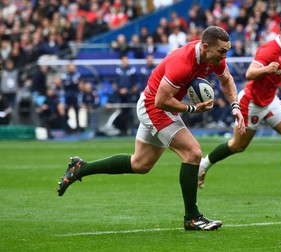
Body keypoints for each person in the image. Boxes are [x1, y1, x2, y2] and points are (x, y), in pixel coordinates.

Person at [56, 26, 245, 231]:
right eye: (222, 51)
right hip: (153, 107)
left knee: (140, 164)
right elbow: (161, 100)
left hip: (159, 105)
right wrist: (191, 109)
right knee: (192, 153)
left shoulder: (214, 58)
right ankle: (192, 218)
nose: (225, 55)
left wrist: (235, 107)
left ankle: (81, 168)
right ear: (206, 46)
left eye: (227, 50)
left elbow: (227, 81)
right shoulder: (182, 62)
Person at [198, 16, 281, 196]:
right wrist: (266, 69)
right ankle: (203, 164)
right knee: (237, 146)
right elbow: (250, 73)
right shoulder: (268, 50)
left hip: (270, 101)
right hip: (251, 103)